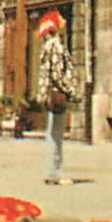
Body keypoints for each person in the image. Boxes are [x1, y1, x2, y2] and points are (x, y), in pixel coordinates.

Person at [34, 10, 79, 186]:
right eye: (60, 19)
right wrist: (71, 91)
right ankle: (56, 173)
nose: (64, 21)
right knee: (56, 135)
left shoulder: (47, 46)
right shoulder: (57, 46)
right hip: (58, 93)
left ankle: (51, 171)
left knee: (53, 134)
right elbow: (58, 73)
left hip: (51, 93)